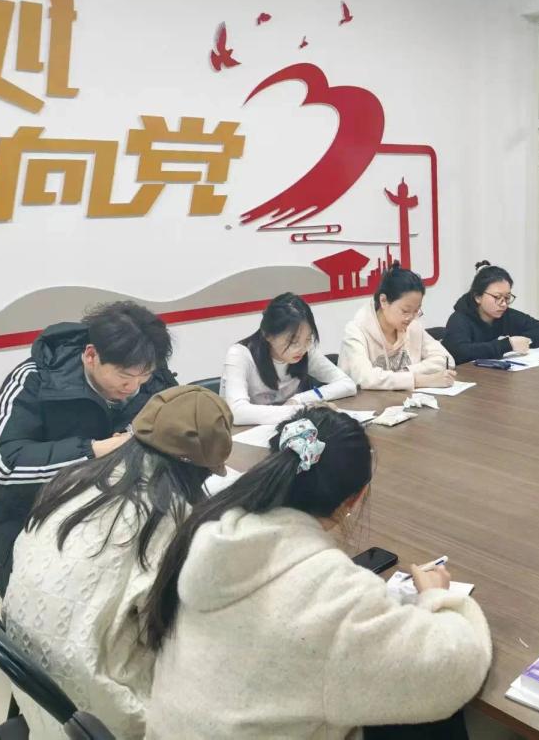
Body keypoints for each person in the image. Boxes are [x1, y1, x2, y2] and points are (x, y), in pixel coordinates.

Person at [142, 407, 492, 739]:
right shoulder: (330, 593)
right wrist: (436, 597)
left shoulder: (212, 537)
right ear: (356, 498)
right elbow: (455, 669)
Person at [1, 385, 232, 740]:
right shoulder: (168, 522)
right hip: (94, 712)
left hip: (30, 681)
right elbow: (172, 631)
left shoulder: (73, 480)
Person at [0, 301, 176, 595]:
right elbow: (1, 465)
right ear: (91, 355)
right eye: (124, 377)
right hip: (24, 516)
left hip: (106, 516)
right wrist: (93, 450)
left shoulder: (152, 377)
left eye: (143, 377)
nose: (134, 387)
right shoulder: (36, 378)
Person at [220, 292, 356, 425]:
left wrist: (299, 399)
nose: (302, 348)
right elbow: (237, 412)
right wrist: (303, 410)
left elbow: (347, 384)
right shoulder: (240, 355)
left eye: (308, 339)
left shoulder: (306, 351)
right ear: (268, 335)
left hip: (289, 430)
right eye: (293, 341)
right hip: (244, 435)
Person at [339, 263, 456, 391]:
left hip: (403, 400)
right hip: (365, 402)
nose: (411, 317)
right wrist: (418, 380)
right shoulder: (356, 331)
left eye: (416, 311)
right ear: (383, 301)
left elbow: (446, 360)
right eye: (405, 311)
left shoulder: (412, 326)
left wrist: (406, 372)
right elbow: (365, 378)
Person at [442, 261, 539, 365]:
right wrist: (507, 345)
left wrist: (523, 341)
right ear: (478, 297)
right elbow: (459, 352)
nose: (503, 304)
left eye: (507, 297)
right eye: (497, 297)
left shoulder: (507, 314)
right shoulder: (459, 319)